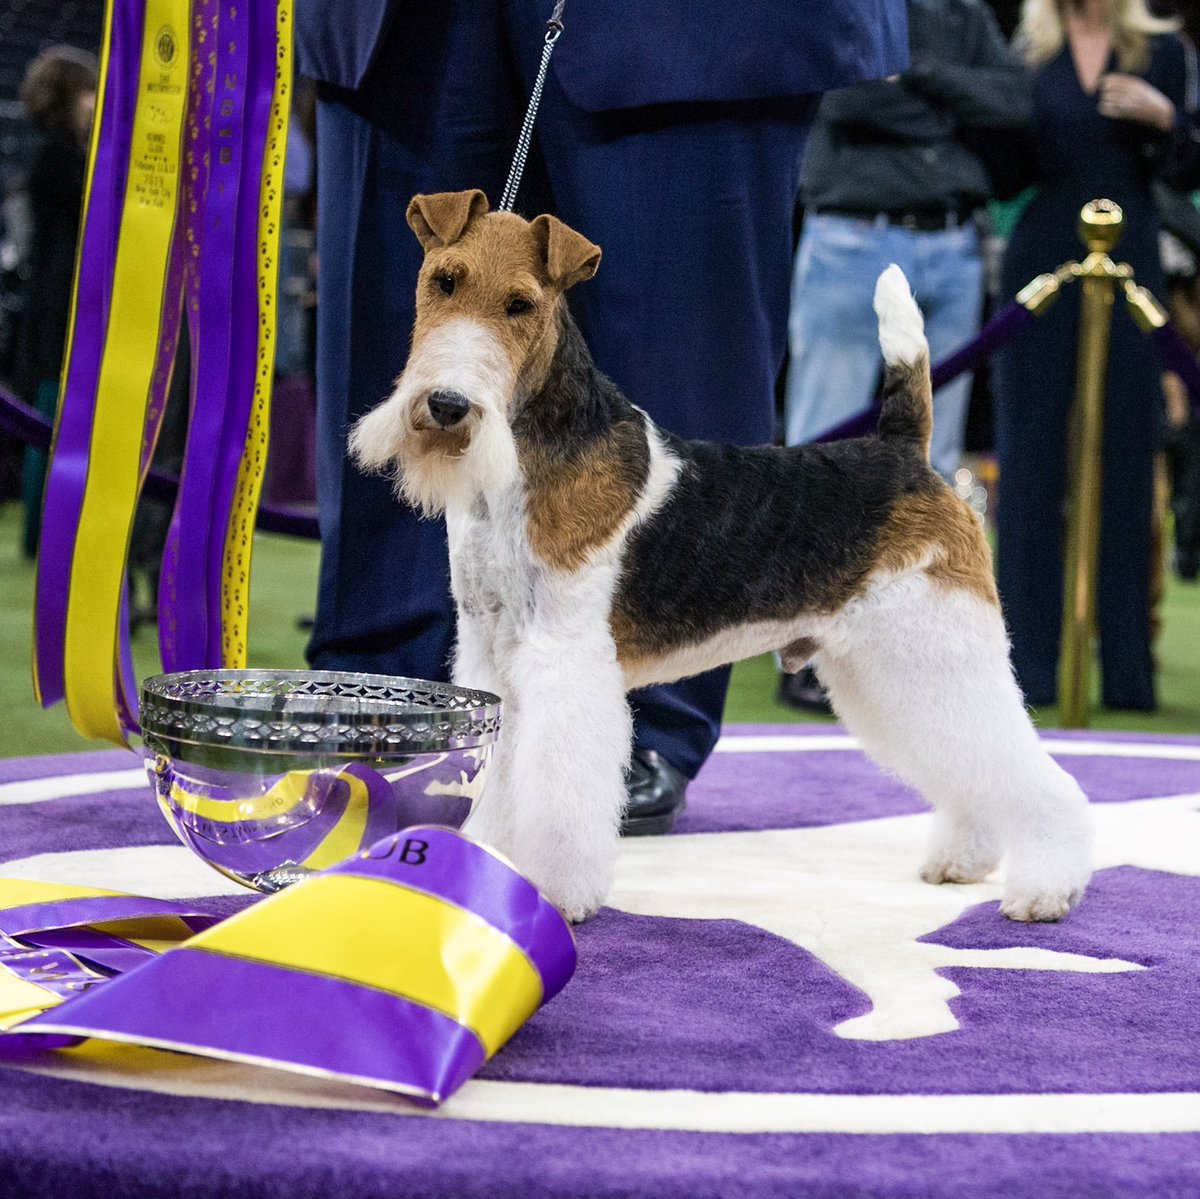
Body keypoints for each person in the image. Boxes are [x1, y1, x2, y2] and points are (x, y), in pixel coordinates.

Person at [294, 0, 909, 835]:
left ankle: (650, 720)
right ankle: (384, 694)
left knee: (682, 361)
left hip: (691, 28)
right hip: (405, 24)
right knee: (400, 352)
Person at [779, 0, 1029, 712]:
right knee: (819, 451)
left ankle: (908, 642)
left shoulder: (963, 12)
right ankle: (800, 650)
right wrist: (956, 107)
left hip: (953, 243)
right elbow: (849, 101)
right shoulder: (847, 6)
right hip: (853, 235)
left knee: (932, 457)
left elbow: (1017, 102)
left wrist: (913, 78)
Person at [992, 0, 1198, 711]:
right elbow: (1004, 174)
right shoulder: (1027, 52)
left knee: (1126, 460)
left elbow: (1187, 164)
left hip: (1133, 248)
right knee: (1029, 466)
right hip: (1043, 253)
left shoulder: (1161, 51)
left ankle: (1128, 671)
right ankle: (1028, 666)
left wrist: (1166, 118)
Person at [15, 45, 96, 560]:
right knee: (49, 412)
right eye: (87, 91)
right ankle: (41, 530)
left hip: (58, 294)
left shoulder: (60, 154)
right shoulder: (58, 157)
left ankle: (47, 527)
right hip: (56, 301)